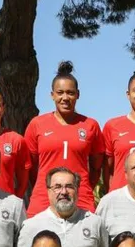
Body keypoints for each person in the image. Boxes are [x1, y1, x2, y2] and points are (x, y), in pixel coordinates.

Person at [25, 61, 105, 216]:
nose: (65, 97)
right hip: (43, 199)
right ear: (52, 95)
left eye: (70, 92)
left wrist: (80, 186)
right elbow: (32, 167)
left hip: (80, 199)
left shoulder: (90, 125)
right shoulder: (37, 124)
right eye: (60, 92)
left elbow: (96, 168)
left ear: (78, 94)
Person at [17, 167, 108, 247]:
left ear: (77, 190)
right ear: (48, 191)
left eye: (69, 186)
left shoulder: (95, 222)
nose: (64, 192)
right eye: (57, 187)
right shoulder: (32, 225)